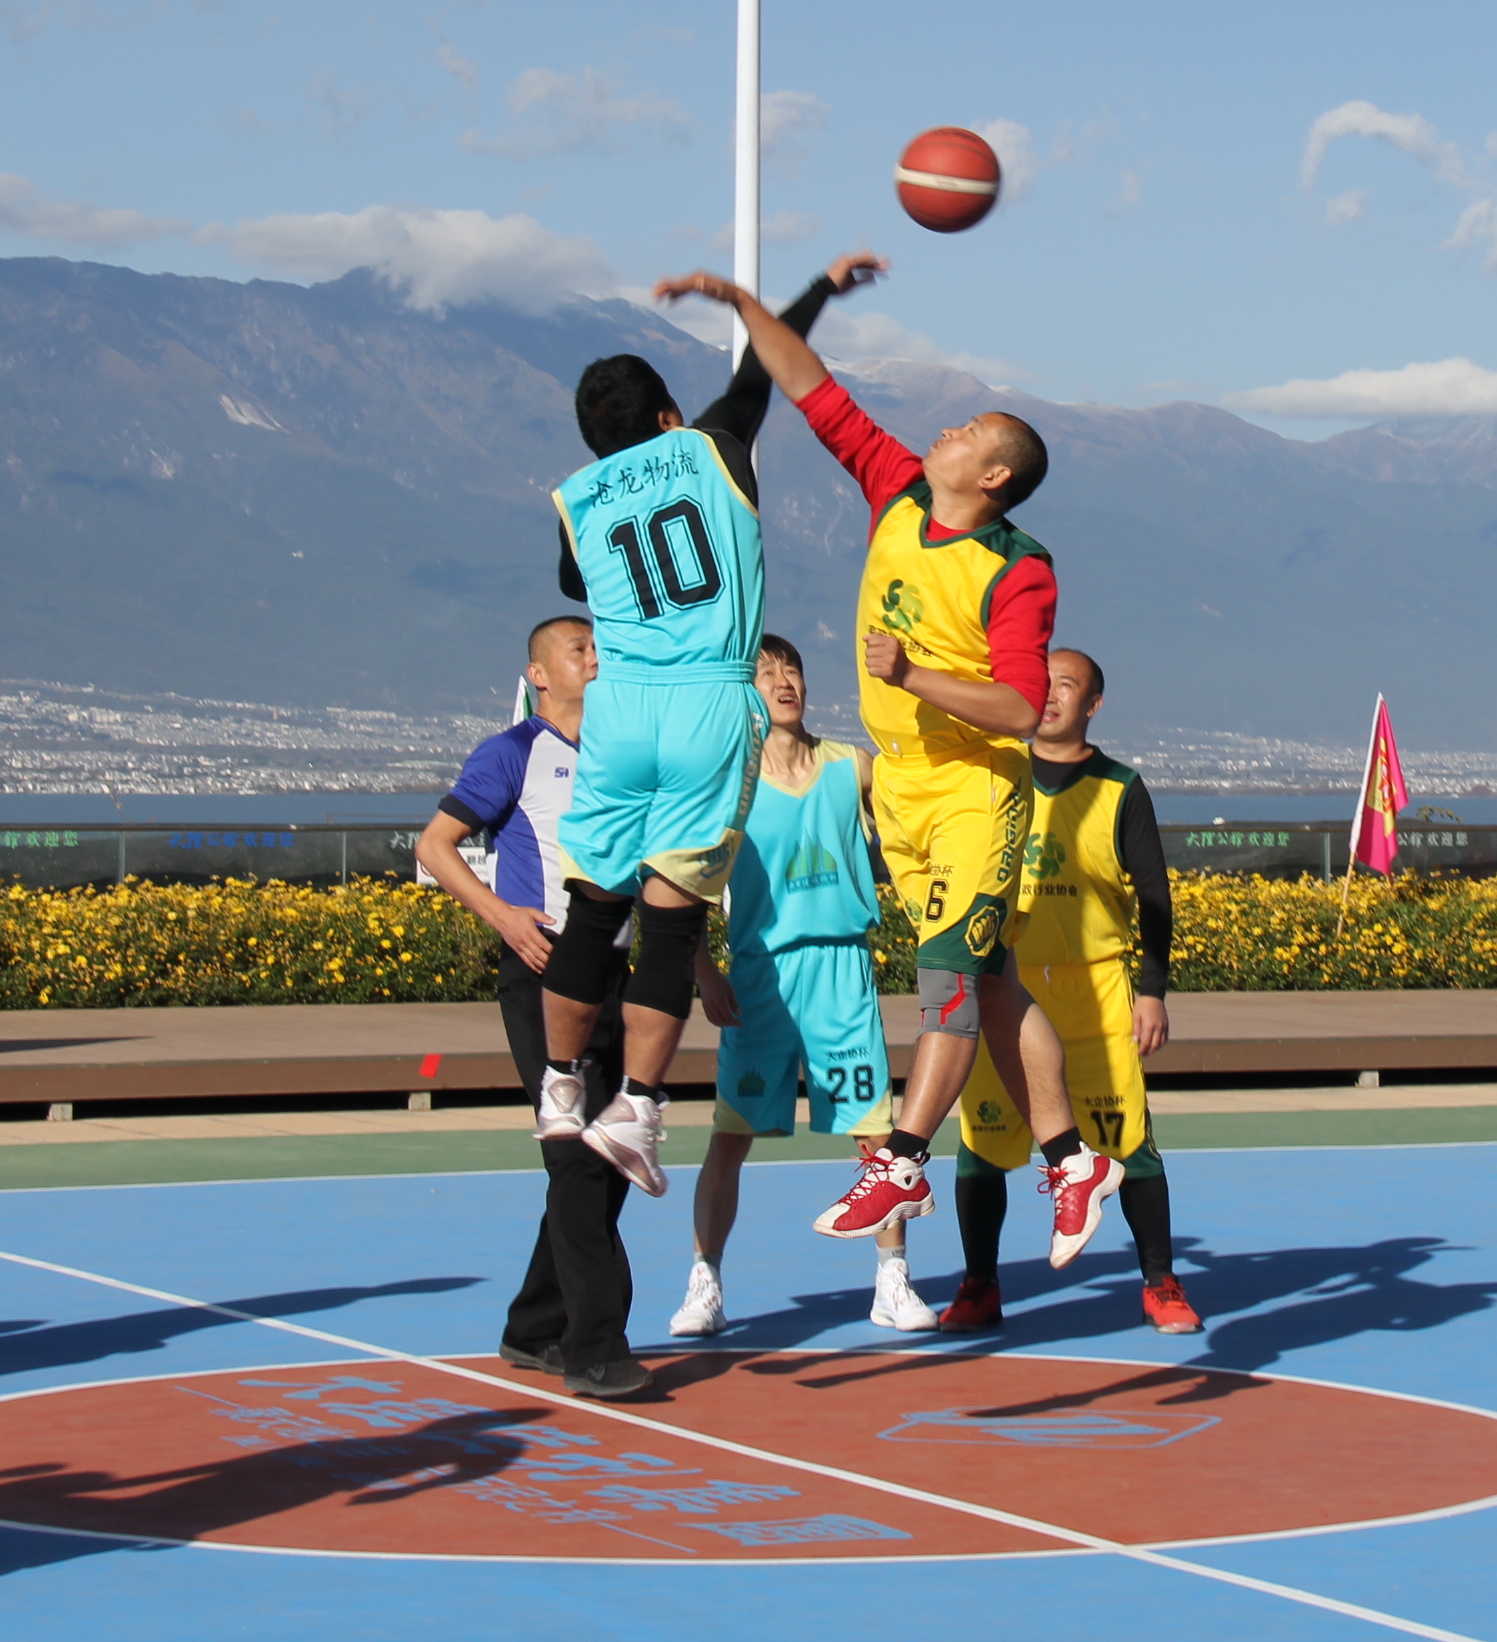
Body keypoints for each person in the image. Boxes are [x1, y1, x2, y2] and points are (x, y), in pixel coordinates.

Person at [651, 272, 1119, 1267]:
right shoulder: (899, 489)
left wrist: (913, 674)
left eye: (967, 431)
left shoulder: (1018, 568)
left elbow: (1021, 707)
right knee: (987, 982)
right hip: (901, 785)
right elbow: (808, 383)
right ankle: (1074, 1161)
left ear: (993, 474)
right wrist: (746, 305)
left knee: (947, 980)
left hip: (974, 785)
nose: (945, 431)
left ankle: (903, 1159)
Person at [532, 257, 877, 1200]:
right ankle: (638, 1108)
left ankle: (559, 1089)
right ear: (668, 415)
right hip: (707, 700)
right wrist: (813, 290)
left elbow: (573, 581)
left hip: (621, 706)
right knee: (671, 922)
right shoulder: (711, 447)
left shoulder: (578, 498)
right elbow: (765, 364)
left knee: (593, 908)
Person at [416, 615, 653, 1400]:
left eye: (599, 648)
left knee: (612, 1156)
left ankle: (533, 1325)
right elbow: (435, 845)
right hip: (544, 973)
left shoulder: (622, 757)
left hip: (615, 973)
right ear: (540, 674)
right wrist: (503, 916)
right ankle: (593, 1346)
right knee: (576, 1156)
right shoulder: (513, 752)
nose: (595, 659)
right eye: (579, 650)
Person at [670, 634, 933, 1340]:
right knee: (731, 1137)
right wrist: (704, 972)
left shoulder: (852, 767)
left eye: (793, 670)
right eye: (767, 673)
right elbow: (676, 885)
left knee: (878, 1139)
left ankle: (892, 1279)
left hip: (842, 970)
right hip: (761, 977)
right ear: (744, 693)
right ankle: (705, 1281)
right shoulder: (727, 786)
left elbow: (924, 804)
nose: (784, 681)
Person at [946, 647, 1200, 1334]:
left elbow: (1154, 897)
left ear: (1093, 704)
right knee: (982, 1145)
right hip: (1005, 992)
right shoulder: (995, 774)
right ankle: (979, 1284)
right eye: (1044, 683)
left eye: (1068, 686)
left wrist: (1153, 990)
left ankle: (1161, 1283)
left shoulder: (1120, 788)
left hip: (1096, 996)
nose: (1052, 696)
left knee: (1130, 1144)